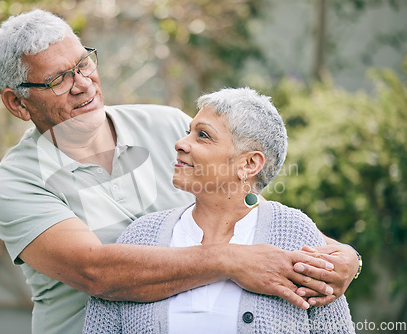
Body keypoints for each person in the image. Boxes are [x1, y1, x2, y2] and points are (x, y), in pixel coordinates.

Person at [0, 9, 360, 334]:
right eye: (57, 80)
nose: (83, 85)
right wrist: (230, 259)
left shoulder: (164, 125)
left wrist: (340, 256)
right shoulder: (17, 184)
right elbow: (95, 273)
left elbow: (245, 204)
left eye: (83, 64)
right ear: (18, 102)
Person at [83, 87, 355, 333]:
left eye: (203, 135)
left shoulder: (294, 235)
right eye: (189, 131)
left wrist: (353, 258)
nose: (181, 143)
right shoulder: (140, 236)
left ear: (249, 164)